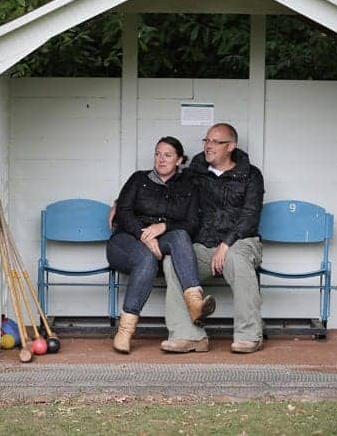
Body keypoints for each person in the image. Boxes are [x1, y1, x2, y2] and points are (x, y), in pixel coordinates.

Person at [160, 123, 265, 354]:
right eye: (206, 140)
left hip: (241, 242)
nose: (208, 146)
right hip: (205, 246)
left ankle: (249, 335)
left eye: (215, 142)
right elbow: (163, 190)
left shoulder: (251, 175)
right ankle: (189, 335)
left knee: (237, 259)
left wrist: (226, 245)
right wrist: (120, 203)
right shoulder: (194, 173)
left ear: (231, 146)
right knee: (172, 261)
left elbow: (250, 216)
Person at [107, 136, 215, 354]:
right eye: (157, 154)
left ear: (179, 160)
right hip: (125, 241)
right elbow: (123, 213)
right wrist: (143, 235)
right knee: (145, 259)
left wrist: (163, 227)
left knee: (180, 236)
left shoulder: (188, 186)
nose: (161, 159)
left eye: (167, 155)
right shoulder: (139, 179)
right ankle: (125, 331)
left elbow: (192, 223)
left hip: (162, 239)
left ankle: (195, 303)